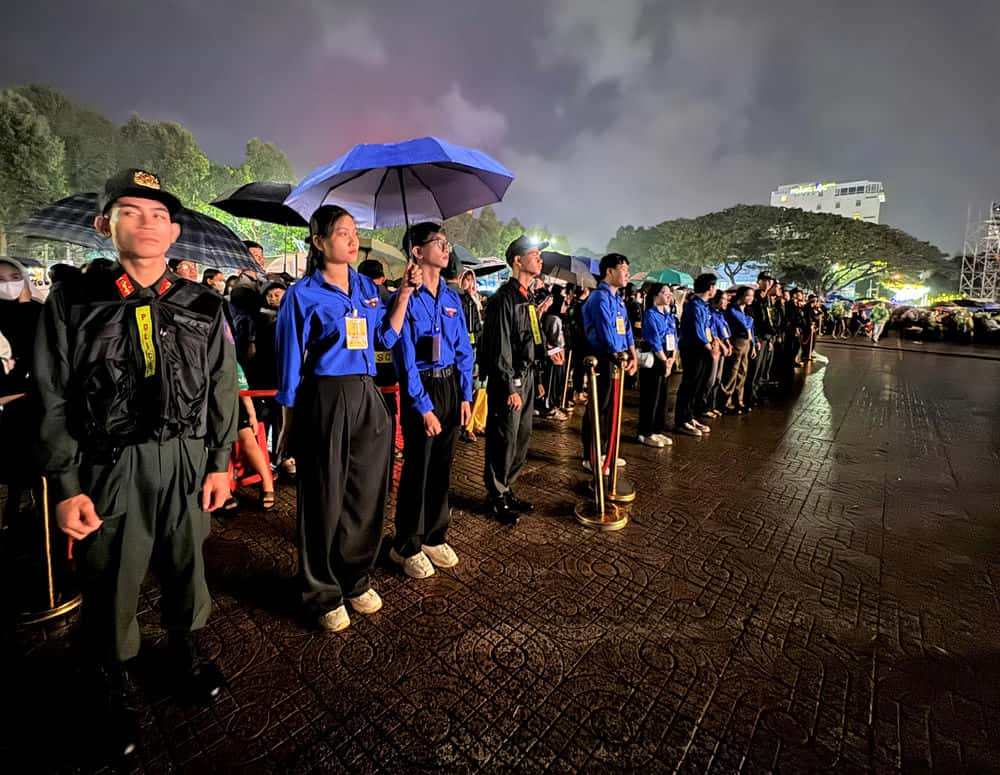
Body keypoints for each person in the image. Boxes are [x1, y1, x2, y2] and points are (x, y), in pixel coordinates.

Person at [33, 169, 238, 758]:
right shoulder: (75, 300)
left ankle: (185, 649)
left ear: (174, 232)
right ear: (106, 225)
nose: (146, 222)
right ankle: (111, 677)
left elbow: (222, 387)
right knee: (111, 574)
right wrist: (66, 484)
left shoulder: (202, 304)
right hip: (110, 464)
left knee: (185, 561)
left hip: (188, 460)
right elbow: (51, 396)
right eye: (131, 211)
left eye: (158, 215)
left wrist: (221, 461)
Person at [275, 205, 419, 633]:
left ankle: (354, 576)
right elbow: (288, 367)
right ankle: (321, 591)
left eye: (355, 232)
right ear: (318, 242)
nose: (352, 240)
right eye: (341, 233)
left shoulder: (365, 288)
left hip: (368, 393)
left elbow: (384, 339)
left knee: (366, 492)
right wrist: (289, 424)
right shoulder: (302, 295)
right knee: (324, 496)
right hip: (325, 396)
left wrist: (405, 294)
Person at [389, 222, 474, 579]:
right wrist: (422, 406)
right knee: (417, 468)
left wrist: (467, 394)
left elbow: (464, 350)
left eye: (447, 242)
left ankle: (435, 535)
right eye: (438, 242)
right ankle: (405, 545)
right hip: (420, 388)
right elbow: (404, 357)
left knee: (442, 466)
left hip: (450, 386)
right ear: (417, 251)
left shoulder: (452, 297)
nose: (446, 248)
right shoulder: (403, 297)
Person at [479, 235, 548, 525]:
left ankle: (507, 488)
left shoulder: (528, 298)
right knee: (503, 438)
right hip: (512, 379)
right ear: (517, 261)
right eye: (533, 254)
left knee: (521, 437)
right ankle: (495, 495)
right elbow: (500, 345)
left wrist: (540, 375)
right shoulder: (502, 299)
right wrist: (509, 385)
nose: (539, 259)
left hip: (529, 377)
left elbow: (533, 336)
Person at [581, 253, 638, 469]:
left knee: (613, 407)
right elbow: (606, 333)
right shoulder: (599, 298)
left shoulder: (618, 299)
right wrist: (621, 356)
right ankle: (591, 456)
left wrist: (632, 355)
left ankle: (606, 451)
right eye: (623, 269)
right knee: (598, 407)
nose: (627, 274)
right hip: (603, 359)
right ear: (610, 271)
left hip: (619, 358)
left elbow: (627, 330)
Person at [0, 258, 43, 528]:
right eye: (1, 280)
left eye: (15, 277)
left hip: (35, 402)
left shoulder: (41, 312)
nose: (8, 285)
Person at [673, 273, 717, 437]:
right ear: (710, 287)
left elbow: (708, 327)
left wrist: (713, 342)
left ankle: (689, 416)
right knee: (689, 384)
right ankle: (682, 420)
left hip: (703, 349)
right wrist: (709, 346)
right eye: (715, 286)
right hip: (694, 349)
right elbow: (698, 331)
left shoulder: (704, 305)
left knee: (698, 384)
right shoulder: (694, 306)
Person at [636, 283, 676, 448]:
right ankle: (645, 432)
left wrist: (672, 358)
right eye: (664, 293)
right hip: (655, 358)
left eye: (669, 293)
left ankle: (657, 430)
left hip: (667, 357)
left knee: (662, 397)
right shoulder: (650, 315)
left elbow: (674, 336)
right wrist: (664, 360)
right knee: (650, 396)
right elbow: (653, 340)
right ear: (655, 295)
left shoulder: (669, 315)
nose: (668, 296)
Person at [458, 269, 485, 441]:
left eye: (471, 279)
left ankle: (474, 422)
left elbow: (478, 327)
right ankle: (465, 426)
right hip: (465, 349)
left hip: (475, 348)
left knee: (479, 387)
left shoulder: (475, 301)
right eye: (466, 279)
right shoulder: (460, 299)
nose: (469, 282)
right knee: (466, 387)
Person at [720, 286, 757, 413]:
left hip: (747, 343)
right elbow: (744, 325)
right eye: (748, 295)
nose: (751, 298)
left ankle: (738, 400)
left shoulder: (748, 310)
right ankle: (725, 401)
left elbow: (751, 329)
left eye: (752, 296)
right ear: (741, 296)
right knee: (732, 372)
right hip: (737, 341)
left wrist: (753, 344)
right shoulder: (732, 310)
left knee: (742, 372)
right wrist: (749, 320)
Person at [537, 288, 568, 420]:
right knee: (552, 383)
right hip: (552, 356)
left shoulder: (543, 317)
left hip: (546, 355)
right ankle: (548, 406)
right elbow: (558, 341)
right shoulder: (554, 319)